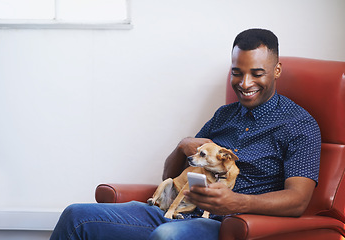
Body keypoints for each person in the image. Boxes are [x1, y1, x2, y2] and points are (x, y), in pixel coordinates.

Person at [50, 28, 321, 240]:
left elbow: (298, 200)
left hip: (230, 225)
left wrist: (235, 202)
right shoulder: (223, 116)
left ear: (276, 70)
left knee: (167, 235)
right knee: (76, 216)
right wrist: (183, 146)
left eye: (256, 73)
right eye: (237, 73)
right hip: (178, 212)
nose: (245, 83)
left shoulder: (299, 125)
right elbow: (170, 177)